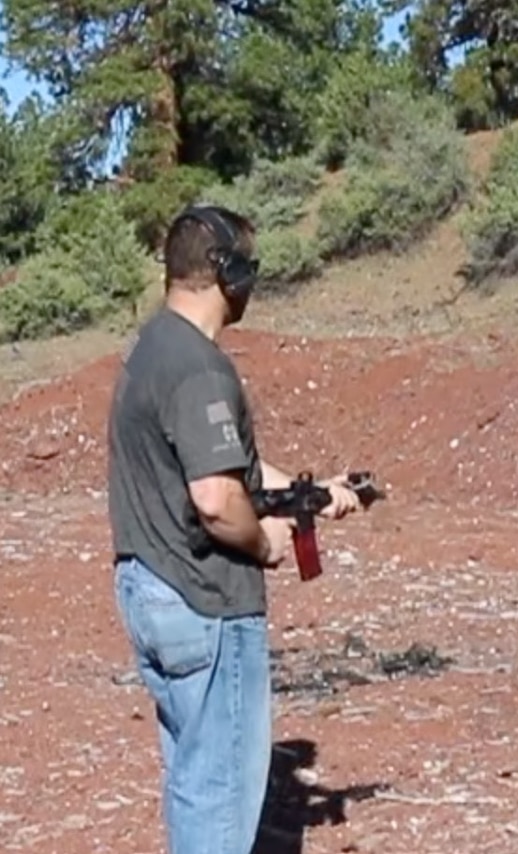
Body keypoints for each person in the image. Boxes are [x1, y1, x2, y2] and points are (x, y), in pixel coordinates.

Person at [106, 204, 363, 854]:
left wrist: (311, 494)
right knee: (220, 799)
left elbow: (230, 469)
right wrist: (266, 542)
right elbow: (220, 500)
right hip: (206, 602)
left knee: (195, 778)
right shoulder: (200, 368)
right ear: (225, 272)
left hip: (153, 587)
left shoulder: (153, 346)